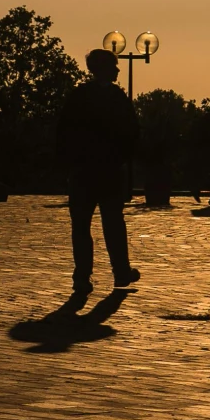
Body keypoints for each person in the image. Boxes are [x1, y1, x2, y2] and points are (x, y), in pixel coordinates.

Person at [57, 47, 141, 293]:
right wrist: (122, 158)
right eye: (114, 66)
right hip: (109, 171)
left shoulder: (78, 96)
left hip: (82, 171)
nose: (117, 70)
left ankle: (82, 276)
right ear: (105, 69)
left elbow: (63, 132)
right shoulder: (117, 98)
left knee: (82, 225)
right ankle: (120, 271)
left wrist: (69, 163)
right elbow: (131, 132)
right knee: (113, 223)